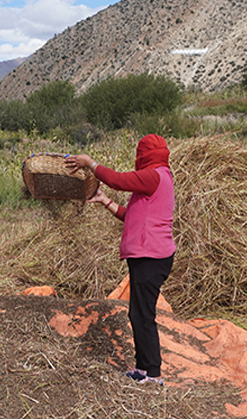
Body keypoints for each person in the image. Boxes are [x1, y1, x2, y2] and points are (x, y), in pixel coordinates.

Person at [65, 134, 175, 385]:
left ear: (145, 155)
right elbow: (131, 216)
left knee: (143, 315)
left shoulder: (154, 175)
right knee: (137, 313)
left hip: (151, 257)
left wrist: (90, 163)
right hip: (147, 256)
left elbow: (117, 180)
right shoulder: (157, 179)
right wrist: (106, 201)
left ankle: (154, 374)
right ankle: (142, 369)